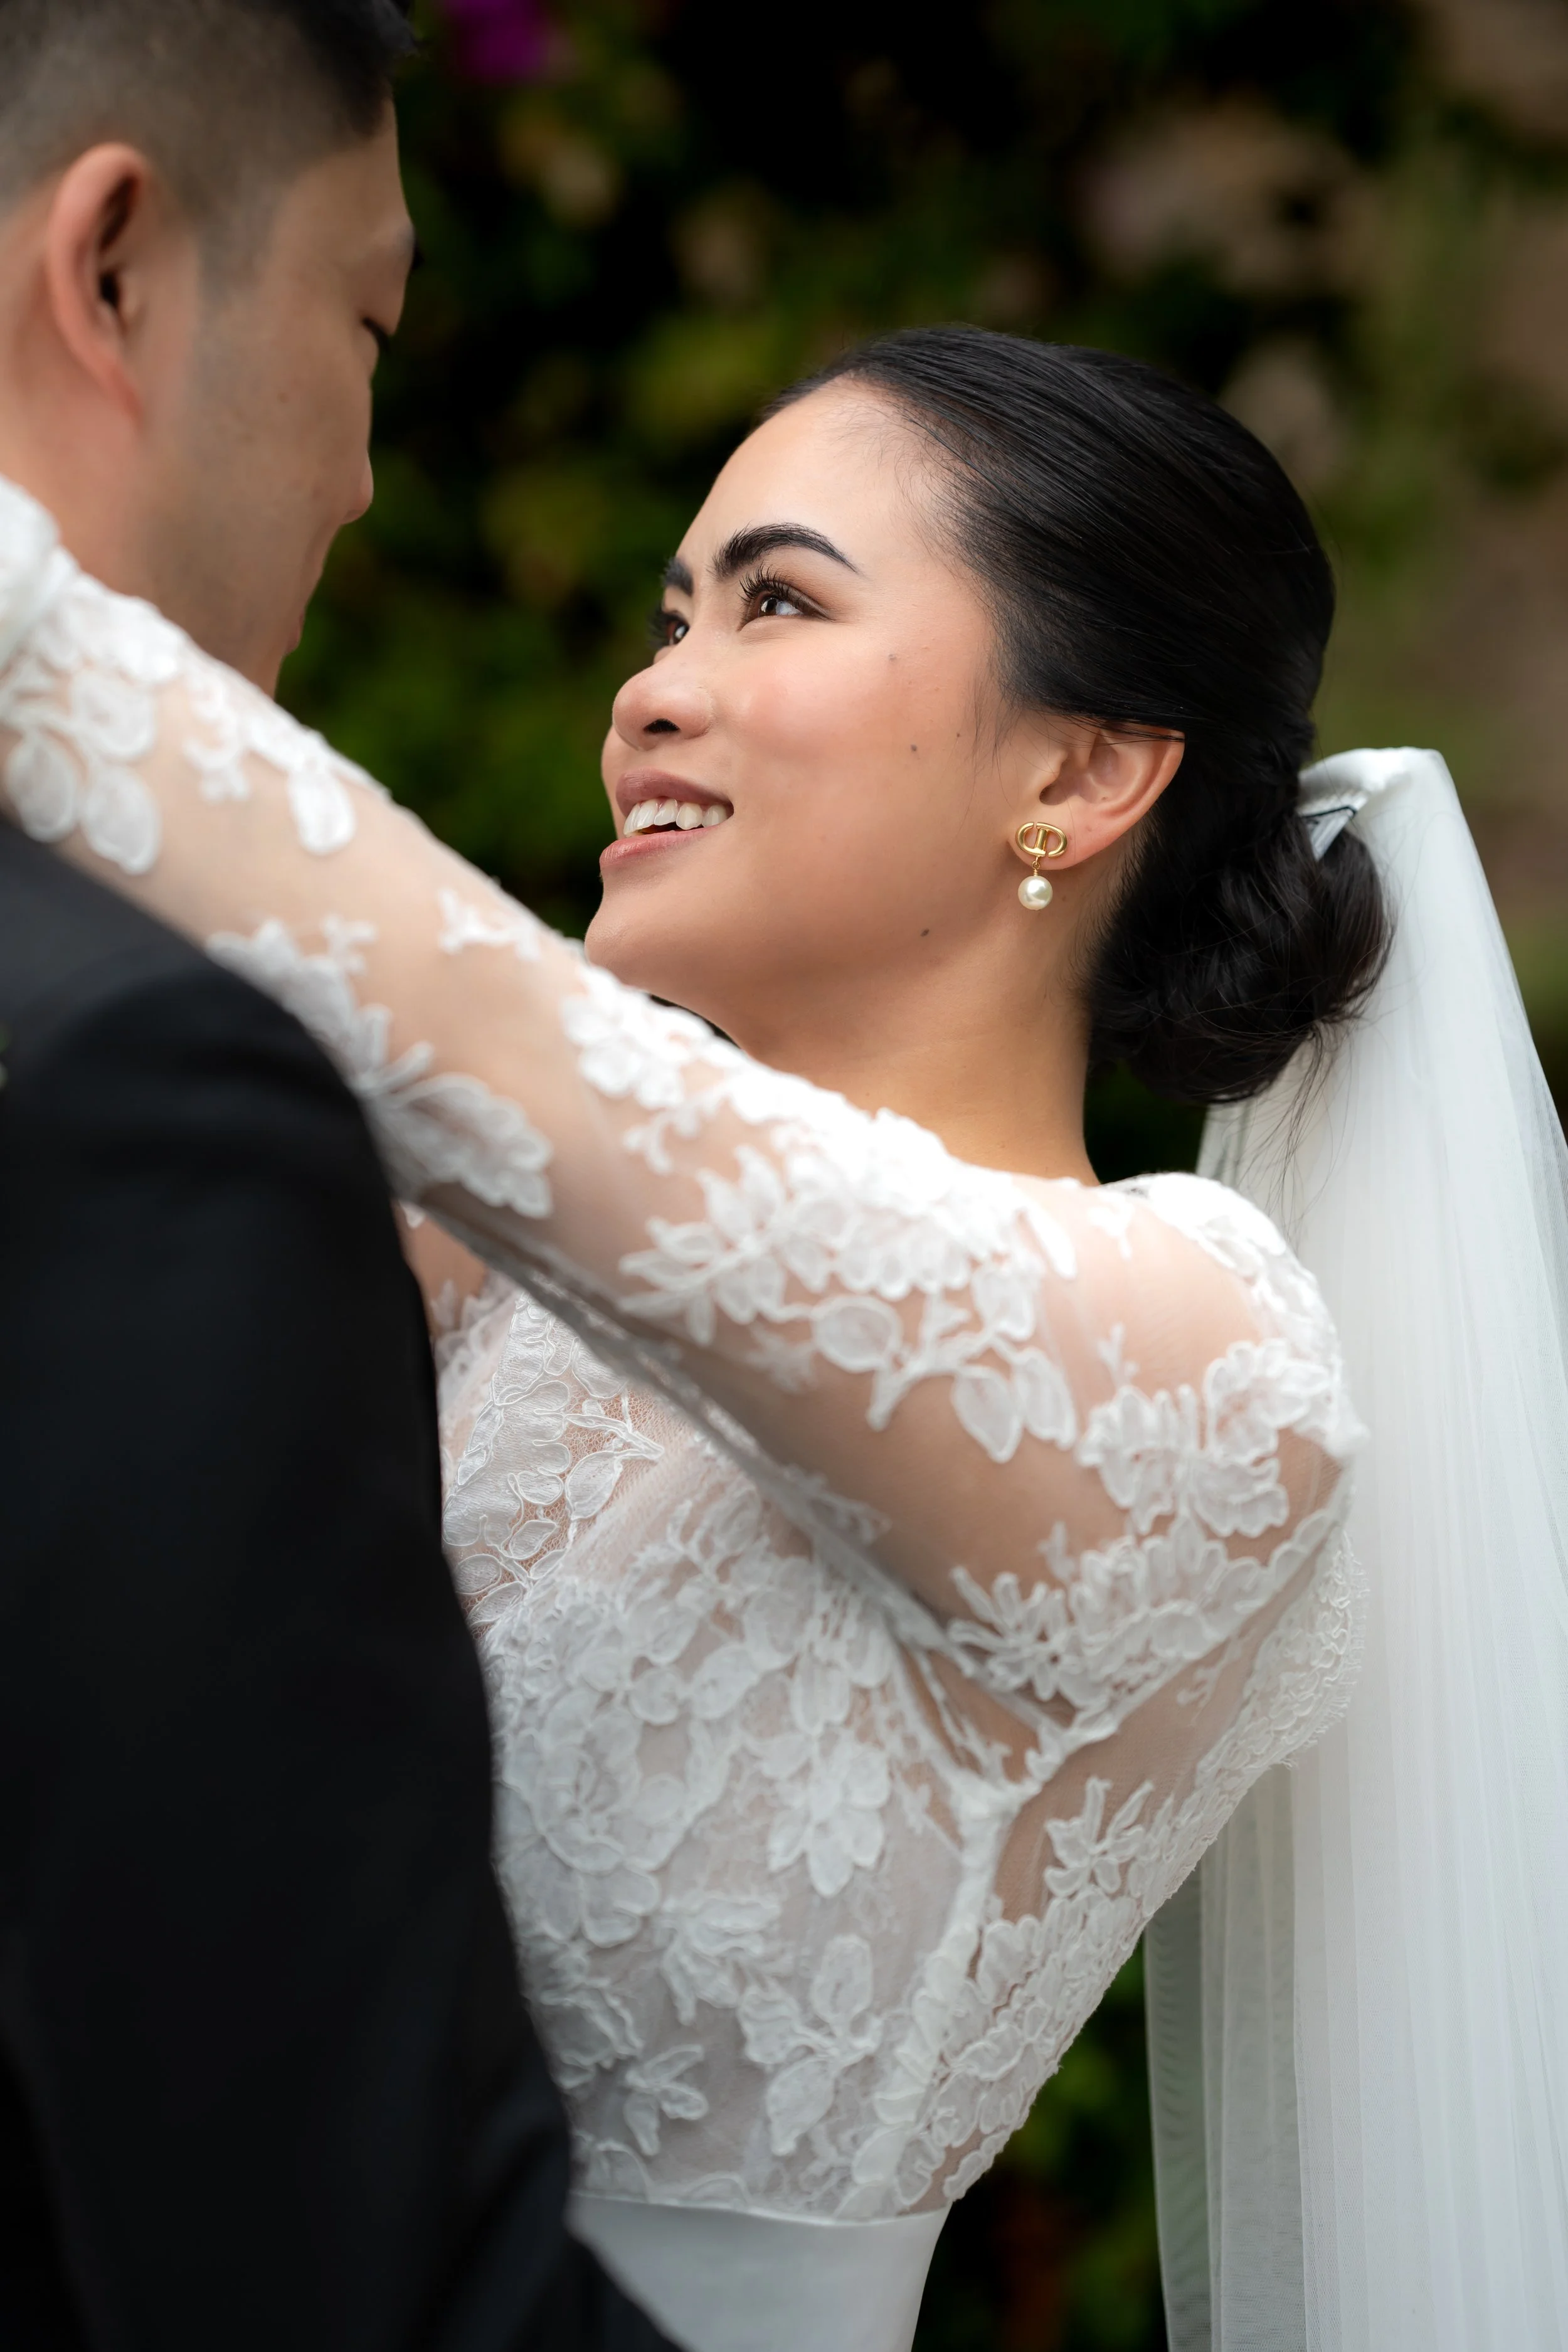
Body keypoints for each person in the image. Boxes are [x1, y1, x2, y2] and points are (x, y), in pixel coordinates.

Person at [0, 301, 1377, 2351]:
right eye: (667, 619)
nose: (654, 692)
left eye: (775, 607)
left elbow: (483, 1035)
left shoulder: (1191, 1361)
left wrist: (36, 628)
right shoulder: (478, 1259)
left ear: (1079, 771)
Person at [0, 4, 677, 2346]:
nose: (371, 471)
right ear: (112, 270)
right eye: (367, 322)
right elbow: (351, 2272)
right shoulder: (132, 1089)